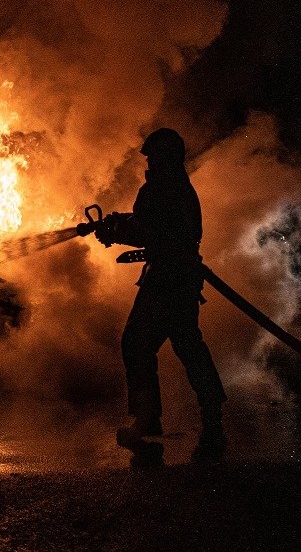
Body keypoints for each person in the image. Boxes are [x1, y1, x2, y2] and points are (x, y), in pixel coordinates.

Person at [85, 128, 227, 456]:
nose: (147, 161)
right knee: (188, 344)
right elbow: (149, 223)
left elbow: (148, 229)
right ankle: (212, 414)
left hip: (165, 280)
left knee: (137, 344)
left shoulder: (161, 188)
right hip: (181, 279)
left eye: (151, 156)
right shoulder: (176, 187)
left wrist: (116, 230)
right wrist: (118, 222)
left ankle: (148, 419)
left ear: (163, 157)